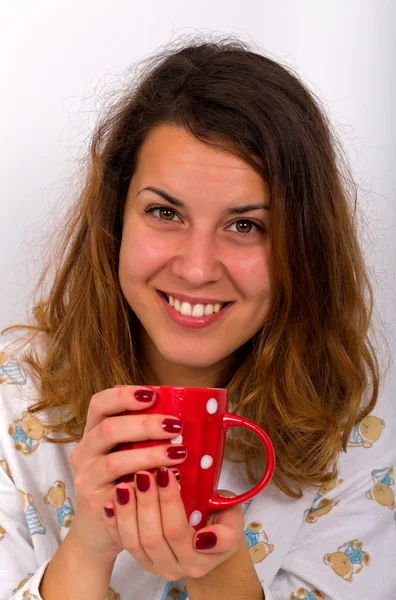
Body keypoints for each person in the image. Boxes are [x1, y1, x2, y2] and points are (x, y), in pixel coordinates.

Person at [0, 34, 394, 600]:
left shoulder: (362, 436)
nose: (197, 268)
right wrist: (86, 553)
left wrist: (218, 570)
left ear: (303, 247)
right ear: (116, 221)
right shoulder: (15, 399)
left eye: (245, 225)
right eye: (165, 213)